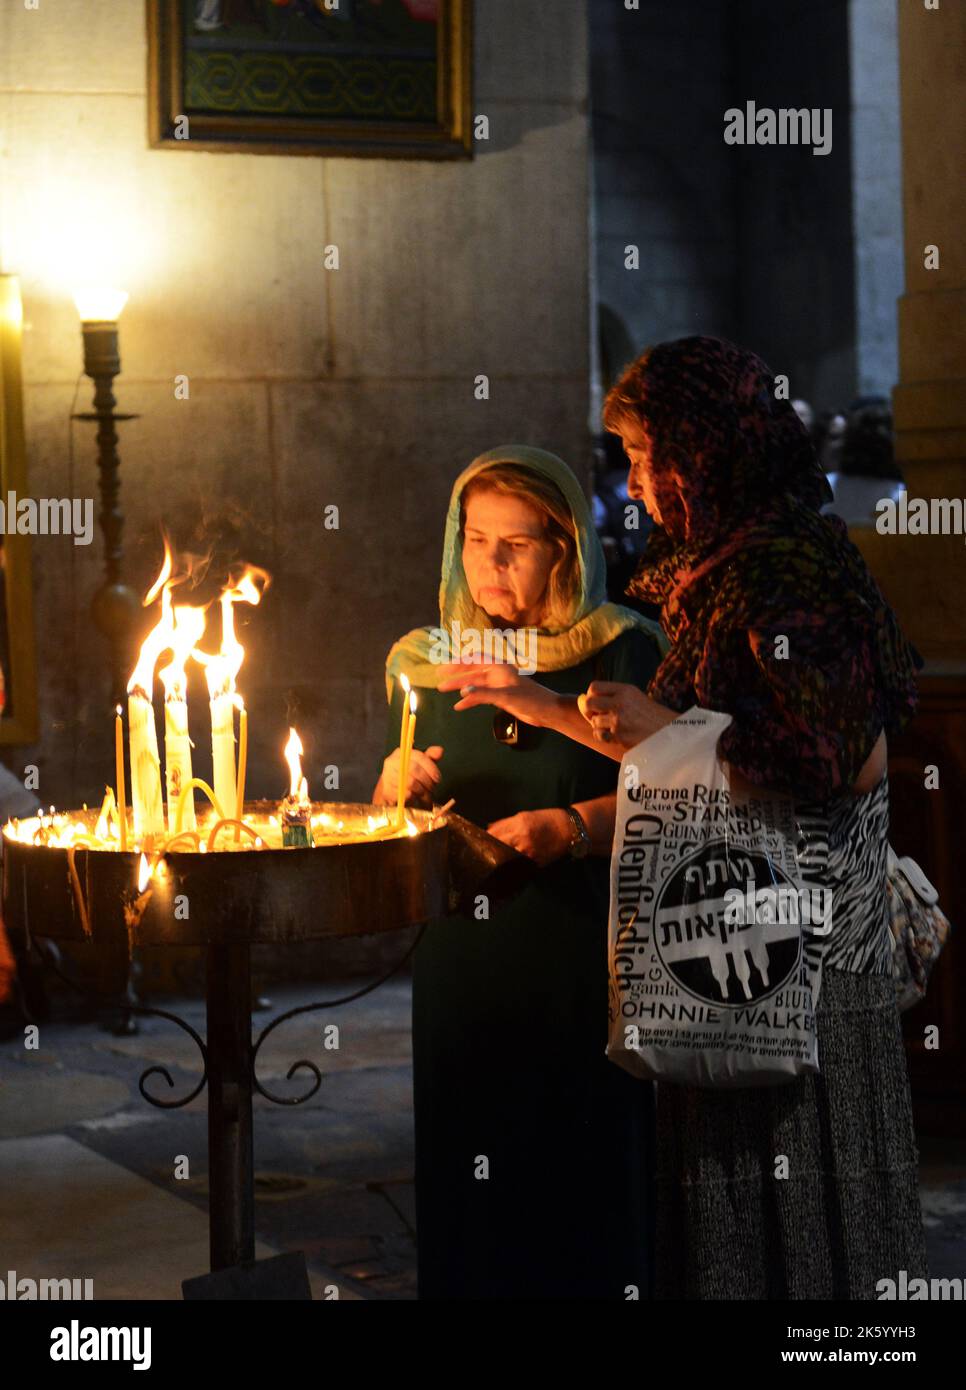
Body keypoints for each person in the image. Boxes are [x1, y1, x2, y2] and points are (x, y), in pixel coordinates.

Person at [438, 339, 929, 1300]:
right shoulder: (719, 566)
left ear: (699, 451)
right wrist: (540, 704)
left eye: (640, 454)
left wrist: (662, 727)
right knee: (730, 1229)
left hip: (808, 964)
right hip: (726, 946)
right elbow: (692, 761)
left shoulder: (786, 568)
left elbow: (834, 757)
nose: (636, 485)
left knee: (814, 1239)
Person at [372, 445, 664, 1299]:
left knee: (580, 1172)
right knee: (472, 1172)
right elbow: (392, 797)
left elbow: (683, 798)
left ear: (566, 548)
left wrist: (572, 827)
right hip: (464, 964)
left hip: (584, 952)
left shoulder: (623, 653)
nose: (491, 564)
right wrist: (397, 785)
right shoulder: (425, 661)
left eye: (518, 545)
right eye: (475, 539)